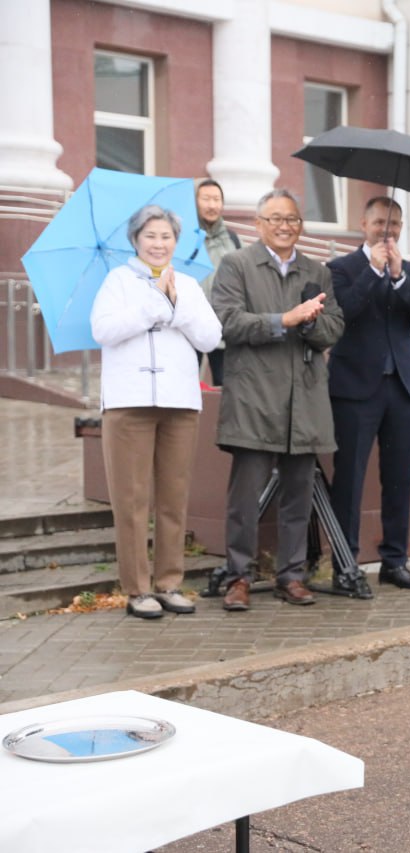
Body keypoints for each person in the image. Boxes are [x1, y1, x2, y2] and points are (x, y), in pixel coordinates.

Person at [212, 188, 344, 611]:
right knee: (244, 501)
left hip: (303, 402)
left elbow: (334, 328)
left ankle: (292, 575)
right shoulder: (236, 265)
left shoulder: (317, 271)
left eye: (292, 219)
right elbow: (228, 323)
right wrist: (283, 320)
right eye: (275, 219)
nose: (285, 226)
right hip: (254, 400)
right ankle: (238, 577)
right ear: (258, 224)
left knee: (298, 498)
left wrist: (309, 324)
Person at [90, 204, 222, 619]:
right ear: (136, 240)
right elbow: (103, 331)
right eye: (150, 236)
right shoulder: (117, 281)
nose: (158, 243)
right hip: (128, 404)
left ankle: (169, 582)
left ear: (175, 243)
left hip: (179, 402)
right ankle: (137, 588)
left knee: (173, 496)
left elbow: (211, 336)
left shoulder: (188, 283)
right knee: (130, 499)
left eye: (166, 236)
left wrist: (175, 301)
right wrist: (152, 305)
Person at [327, 196, 410, 595]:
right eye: (378, 224)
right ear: (363, 224)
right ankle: (345, 564)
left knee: (400, 479)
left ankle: (395, 560)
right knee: (350, 479)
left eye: (393, 225)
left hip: (403, 387)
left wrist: (399, 277)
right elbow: (344, 313)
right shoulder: (341, 268)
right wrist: (374, 272)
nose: (386, 232)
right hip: (355, 388)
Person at [194, 179, 240, 386]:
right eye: (206, 199)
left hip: (224, 323)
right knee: (187, 385)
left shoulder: (232, 239)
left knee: (226, 385)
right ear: (194, 202)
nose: (212, 205)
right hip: (191, 323)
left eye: (217, 199)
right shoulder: (184, 237)